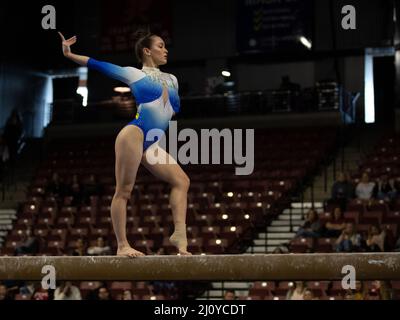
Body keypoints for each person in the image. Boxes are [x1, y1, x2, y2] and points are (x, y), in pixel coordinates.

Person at [58, 29, 191, 257]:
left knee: (182, 181)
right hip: (134, 134)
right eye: (160, 45)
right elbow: (100, 64)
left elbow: (169, 110)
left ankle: (180, 234)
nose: (166, 49)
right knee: (124, 191)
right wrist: (70, 54)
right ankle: (122, 245)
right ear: (147, 51)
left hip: (151, 143)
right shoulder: (134, 74)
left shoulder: (173, 80)